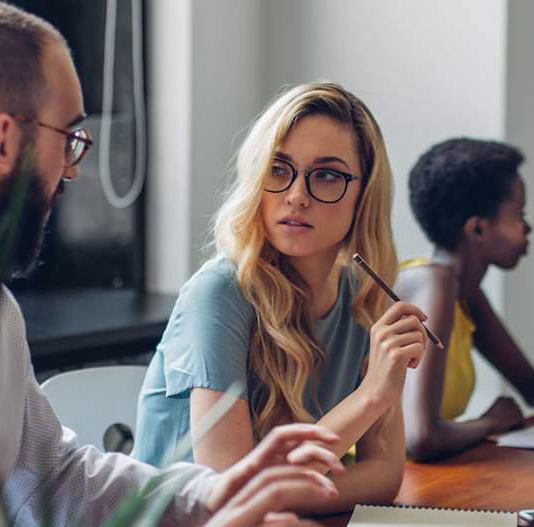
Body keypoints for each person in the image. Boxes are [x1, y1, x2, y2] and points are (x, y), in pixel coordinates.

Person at [0, 3, 346, 525]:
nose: (70, 172)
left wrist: (217, 493)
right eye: (69, 139)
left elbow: (57, 476)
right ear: (5, 141)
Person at [135, 82, 427, 513]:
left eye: (326, 175)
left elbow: (384, 476)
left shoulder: (365, 300)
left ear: (364, 194)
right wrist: (371, 397)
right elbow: (231, 497)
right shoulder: (218, 294)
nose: (296, 195)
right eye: (278, 168)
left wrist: (282, 499)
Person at [396, 137, 534, 462]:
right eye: (520, 214)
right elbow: (422, 437)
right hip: (367, 491)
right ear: (477, 230)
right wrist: (490, 423)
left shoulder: (464, 294)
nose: (529, 228)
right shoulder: (433, 283)